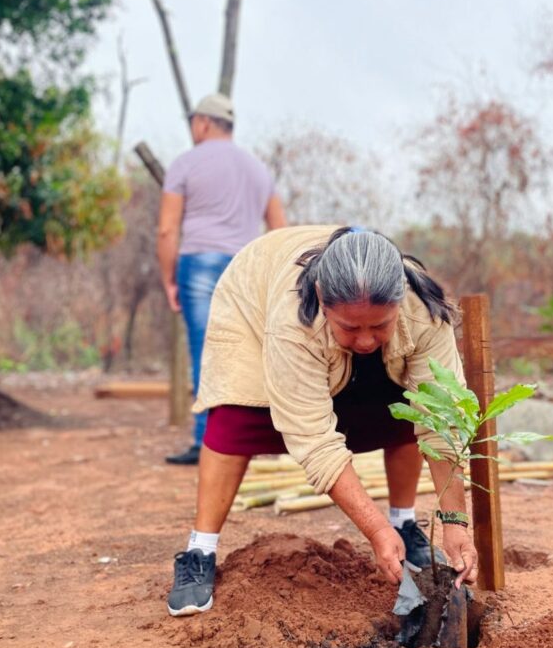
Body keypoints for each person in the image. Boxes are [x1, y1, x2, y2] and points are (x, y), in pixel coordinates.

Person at [166, 224, 478, 616]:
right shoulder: (291, 322)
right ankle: (200, 549)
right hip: (251, 301)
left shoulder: (424, 312)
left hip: (345, 328)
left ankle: (404, 524)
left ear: (399, 302)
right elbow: (314, 440)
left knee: (408, 406)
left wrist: (455, 524)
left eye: (380, 325)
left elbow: (441, 416)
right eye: (350, 327)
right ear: (322, 301)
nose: (365, 341)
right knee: (237, 416)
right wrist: (374, 530)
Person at [157, 93, 286, 465]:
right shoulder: (258, 168)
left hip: (199, 262)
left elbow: (167, 230)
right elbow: (279, 228)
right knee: (251, 351)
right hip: (247, 267)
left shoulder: (184, 163)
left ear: (203, 123)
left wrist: (169, 280)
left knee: (206, 351)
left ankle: (205, 442)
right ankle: (258, 438)